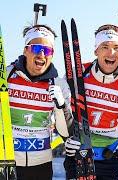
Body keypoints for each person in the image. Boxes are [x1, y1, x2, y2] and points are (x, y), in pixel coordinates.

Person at [63, 24, 118, 180]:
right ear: (96, 50)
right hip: (79, 155)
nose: (111, 52)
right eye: (105, 46)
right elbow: (61, 112)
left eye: (116, 47)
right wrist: (66, 139)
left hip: (110, 158)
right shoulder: (78, 73)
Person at [7, 25, 71, 179]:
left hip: (40, 165)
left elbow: (66, 133)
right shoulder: (6, 76)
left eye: (47, 50)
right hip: (6, 160)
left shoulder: (59, 84)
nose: (42, 54)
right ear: (25, 50)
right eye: (36, 48)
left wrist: (61, 106)